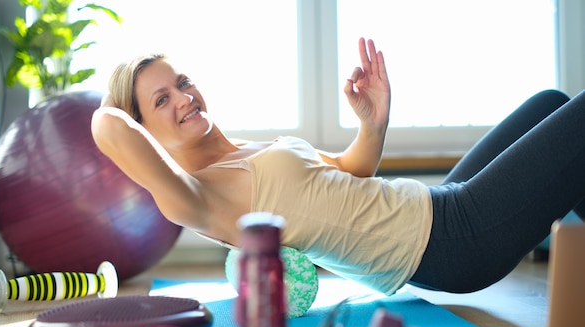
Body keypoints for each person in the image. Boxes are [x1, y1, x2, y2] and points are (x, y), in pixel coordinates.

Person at [91, 38, 585, 296]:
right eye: (161, 99)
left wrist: (373, 124)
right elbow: (106, 125)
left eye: (183, 82)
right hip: (452, 241)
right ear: (144, 129)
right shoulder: (197, 197)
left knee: (550, 102)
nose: (184, 97)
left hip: (430, 210)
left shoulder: (242, 148)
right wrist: (122, 102)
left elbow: (352, 172)